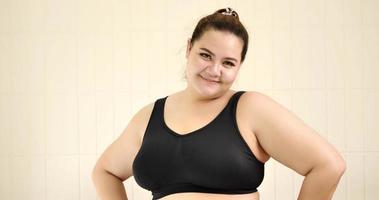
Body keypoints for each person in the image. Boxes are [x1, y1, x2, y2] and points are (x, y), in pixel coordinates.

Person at [92, 7, 346, 200]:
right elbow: (105, 171)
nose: (214, 70)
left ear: (239, 65)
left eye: (228, 63)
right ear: (189, 48)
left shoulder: (250, 108)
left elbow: (328, 166)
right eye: (205, 55)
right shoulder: (149, 116)